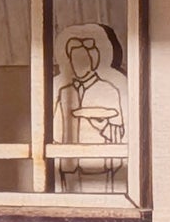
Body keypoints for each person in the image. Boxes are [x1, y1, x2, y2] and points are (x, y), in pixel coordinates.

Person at [51, 22, 127, 193]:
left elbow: (119, 132)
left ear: (93, 61)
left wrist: (102, 125)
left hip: (97, 165)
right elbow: (55, 126)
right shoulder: (64, 91)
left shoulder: (109, 90)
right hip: (68, 164)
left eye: (83, 59)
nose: (78, 65)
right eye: (75, 60)